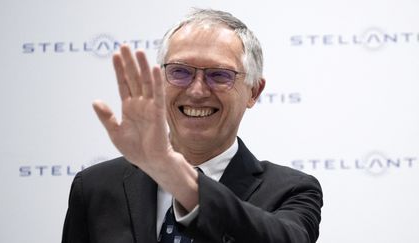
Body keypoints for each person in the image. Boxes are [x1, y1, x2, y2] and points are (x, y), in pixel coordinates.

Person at [62, 8, 323, 243]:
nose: (197, 91)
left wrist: (170, 170)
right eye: (180, 71)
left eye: (219, 75)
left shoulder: (292, 190)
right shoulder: (95, 186)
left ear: (254, 91)